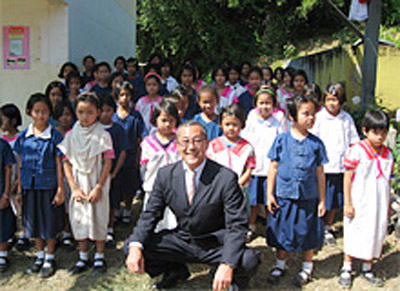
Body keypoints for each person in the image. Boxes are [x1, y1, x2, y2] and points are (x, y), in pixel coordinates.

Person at [125, 120, 260, 290]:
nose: (191, 147)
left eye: (197, 141)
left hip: (215, 242)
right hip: (182, 239)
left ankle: (232, 282)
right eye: (185, 141)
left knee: (248, 260)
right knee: (133, 245)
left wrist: (227, 263)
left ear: (206, 144)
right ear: (177, 144)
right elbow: (150, 214)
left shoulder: (225, 178)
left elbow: (237, 225)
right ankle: (174, 271)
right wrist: (136, 245)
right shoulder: (166, 175)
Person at [266, 94, 327, 287]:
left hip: (308, 197)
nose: (311, 118)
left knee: (308, 231)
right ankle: (280, 264)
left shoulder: (316, 144)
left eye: (313, 114)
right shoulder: (281, 140)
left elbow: (320, 173)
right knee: (283, 231)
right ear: (292, 117)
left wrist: (322, 200)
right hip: (284, 195)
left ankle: (307, 267)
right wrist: (269, 194)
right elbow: (273, 167)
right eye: (305, 114)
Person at [58, 93, 114, 275]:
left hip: (98, 181)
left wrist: (99, 186)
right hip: (78, 184)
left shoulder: (103, 135)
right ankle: (83, 256)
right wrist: (73, 187)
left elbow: (108, 162)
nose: (85, 116)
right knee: (78, 217)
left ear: (97, 112)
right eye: (81, 112)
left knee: (99, 215)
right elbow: (65, 161)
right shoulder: (71, 135)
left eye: (90, 112)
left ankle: (99, 256)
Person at [338, 110, 393, 288]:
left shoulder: (388, 153)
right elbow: (347, 177)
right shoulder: (357, 151)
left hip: (379, 202)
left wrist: (389, 204)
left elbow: (388, 180)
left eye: (383, 133)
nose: (380, 137)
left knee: (375, 231)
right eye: (375, 132)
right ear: (365, 131)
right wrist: (347, 202)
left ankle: (367, 266)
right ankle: (347, 267)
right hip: (360, 200)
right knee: (355, 230)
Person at [14, 93, 65, 278]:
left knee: (49, 222)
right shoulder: (23, 137)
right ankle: (39, 254)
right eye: (37, 111)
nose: (41, 115)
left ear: (49, 114)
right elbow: (20, 164)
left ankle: (50, 257)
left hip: (48, 185)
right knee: (33, 221)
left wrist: (60, 189)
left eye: (44, 112)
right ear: (30, 113)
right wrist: (19, 188)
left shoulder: (55, 136)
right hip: (29, 186)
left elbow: (60, 163)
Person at [311, 83, 359, 245]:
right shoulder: (318, 118)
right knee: (320, 198)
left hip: (339, 167)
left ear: (341, 101)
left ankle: (328, 227)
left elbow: (354, 141)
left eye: (335, 100)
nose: (332, 103)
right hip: (322, 167)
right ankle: (316, 226)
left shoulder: (346, 119)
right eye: (328, 99)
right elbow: (312, 139)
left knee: (334, 200)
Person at [241, 89, 285, 241]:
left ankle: (270, 227)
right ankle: (251, 226)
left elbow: (282, 142)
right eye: (261, 103)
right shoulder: (251, 120)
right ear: (256, 104)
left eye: (268, 103)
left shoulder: (278, 122)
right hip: (254, 168)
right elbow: (245, 140)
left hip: (271, 169)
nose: (265, 106)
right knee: (253, 201)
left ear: (274, 105)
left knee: (269, 200)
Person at [140, 100, 181, 232]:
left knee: (173, 220)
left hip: (175, 188)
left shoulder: (180, 142)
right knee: (153, 219)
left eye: (171, 120)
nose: (167, 124)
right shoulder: (148, 142)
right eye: (163, 120)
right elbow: (144, 167)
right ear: (155, 120)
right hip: (153, 187)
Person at [112, 82, 147, 224]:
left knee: (130, 185)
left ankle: (127, 209)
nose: (125, 98)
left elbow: (140, 137)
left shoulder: (135, 116)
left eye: (127, 95)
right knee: (116, 185)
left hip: (131, 157)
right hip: (115, 157)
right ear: (116, 98)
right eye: (121, 95)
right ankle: (116, 210)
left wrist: (139, 157)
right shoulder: (113, 116)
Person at [98, 95, 128, 247]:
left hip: (112, 172)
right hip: (96, 173)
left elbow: (123, 151)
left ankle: (110, 228)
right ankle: (98, 228)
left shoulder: (118, 129)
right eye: (102, 111)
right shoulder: (94, 129)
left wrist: (115, 171)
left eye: (108, 110)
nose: (105, 114)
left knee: (111, 201)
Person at [206, 103, 255, 189]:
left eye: (235, 124)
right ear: (221, 124)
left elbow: (249, 170)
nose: (231, 128)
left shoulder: (247, 147)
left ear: (242, 124)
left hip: (239, 189)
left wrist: (237, 185)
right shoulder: (214, 145)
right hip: (217, 187)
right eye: (227, 124)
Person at [0, 104, 28, 250]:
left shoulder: (21, 137)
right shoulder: (2, 140)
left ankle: (23, 234)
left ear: (13, 120)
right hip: (5, 180)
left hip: (18, 177)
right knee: (8, 208)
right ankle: (11, 235)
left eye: (3, 119)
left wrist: (18, 181)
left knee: (20, 207)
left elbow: (21, 161)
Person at [53, 100, 76, 247]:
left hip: (69, 172)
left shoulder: (74, 134)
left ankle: (68, 231)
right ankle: (56, 231)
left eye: (68, 114)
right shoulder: (52, 133)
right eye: (61, 115)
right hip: (53, 173)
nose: (65, 118)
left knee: (68, 203)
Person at [0, 135, 16, 273]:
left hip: (0, 191)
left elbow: (8, 170)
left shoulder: (3, 146)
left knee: (2, 222)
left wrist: (6, 193)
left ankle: (3, 254)